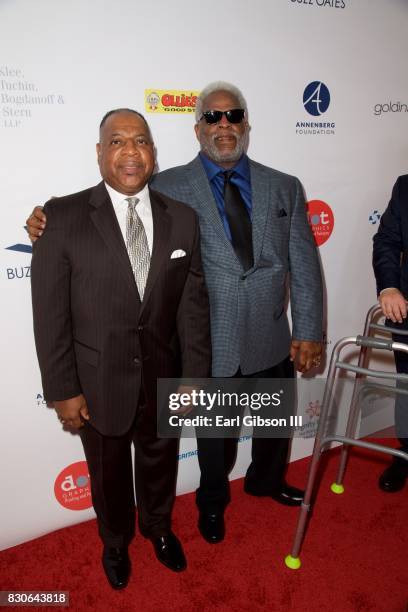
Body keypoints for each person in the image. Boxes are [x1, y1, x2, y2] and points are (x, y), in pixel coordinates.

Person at [27, 81, 323, 545]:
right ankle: (211, 505)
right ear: (197, 127)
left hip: (269, 332)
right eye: (212, 117)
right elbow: (113, 205)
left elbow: (303, 261)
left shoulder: (284, 185)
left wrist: (309, 329)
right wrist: (42, 221)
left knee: (272, 427)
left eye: (234, 115)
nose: (223, 125)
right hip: (209, 336)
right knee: (214, 447)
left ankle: (267, 482)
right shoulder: (162, 185)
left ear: (246, 124)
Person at [30, 109, 211, 589]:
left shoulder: (183, 220)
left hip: (163, 376)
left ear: (153, 153)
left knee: (160, 462)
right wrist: (63, 389)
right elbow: (50, 315)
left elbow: (192, 309)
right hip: (96, 381)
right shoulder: (62, 216)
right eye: (117, 142)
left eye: (141, 141)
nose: (130, 152)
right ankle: (115, 542)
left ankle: (158, 527)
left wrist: (192, 378)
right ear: (99, 152)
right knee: (108, 474)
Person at [373, 174, 408, 492]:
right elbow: (386, 241)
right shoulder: (405, 186)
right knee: (407, 386)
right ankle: (405, 452)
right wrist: (389, 285)